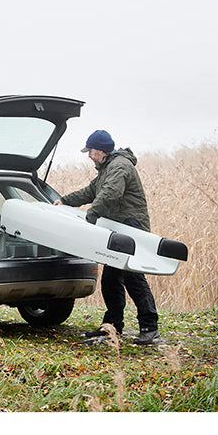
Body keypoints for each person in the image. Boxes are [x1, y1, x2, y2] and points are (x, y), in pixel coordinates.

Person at [53, 129, 160, 345]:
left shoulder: (120, 166)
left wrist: (90, 217)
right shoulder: (106, 168)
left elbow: (110, 194)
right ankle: (112, 327)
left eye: (90, 151)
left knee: (133, 276)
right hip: (118, 228)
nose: (89, 155)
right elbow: (91, 192)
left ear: (101, 150)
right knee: (111, 279)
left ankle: (150, 327)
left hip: (132, 227)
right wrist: (64, 201)